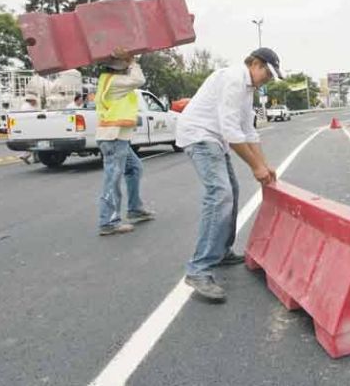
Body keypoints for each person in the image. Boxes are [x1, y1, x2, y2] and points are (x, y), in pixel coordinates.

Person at [175, 47, 282, 301]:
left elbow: (248, 130)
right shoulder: (234, 79)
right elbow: (232, 132)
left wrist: (265, 164)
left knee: (232, 191)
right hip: (200, 136)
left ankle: (221, 251)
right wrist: (255, 167)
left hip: (215, 139)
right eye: (266, 73)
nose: (267, 79)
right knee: (220, 194)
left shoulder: (247, 90)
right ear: (254, 64)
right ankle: (198, 269)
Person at [95, 48, 155, 236]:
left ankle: (135, 209)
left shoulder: (109, 81)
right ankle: (109, 221)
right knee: (112, 179)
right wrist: (132, 60)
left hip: (117, 137)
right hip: (113, 138)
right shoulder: (114, 82)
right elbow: (139, 79)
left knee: (134, 168)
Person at [19, 95, 40, 164]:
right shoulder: (30, 107)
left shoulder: (24, 106)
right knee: (35, 142)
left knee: (32, 142)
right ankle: (26, 155)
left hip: (25, 127)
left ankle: (35, 158)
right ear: (32, 100)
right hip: (31, 127)